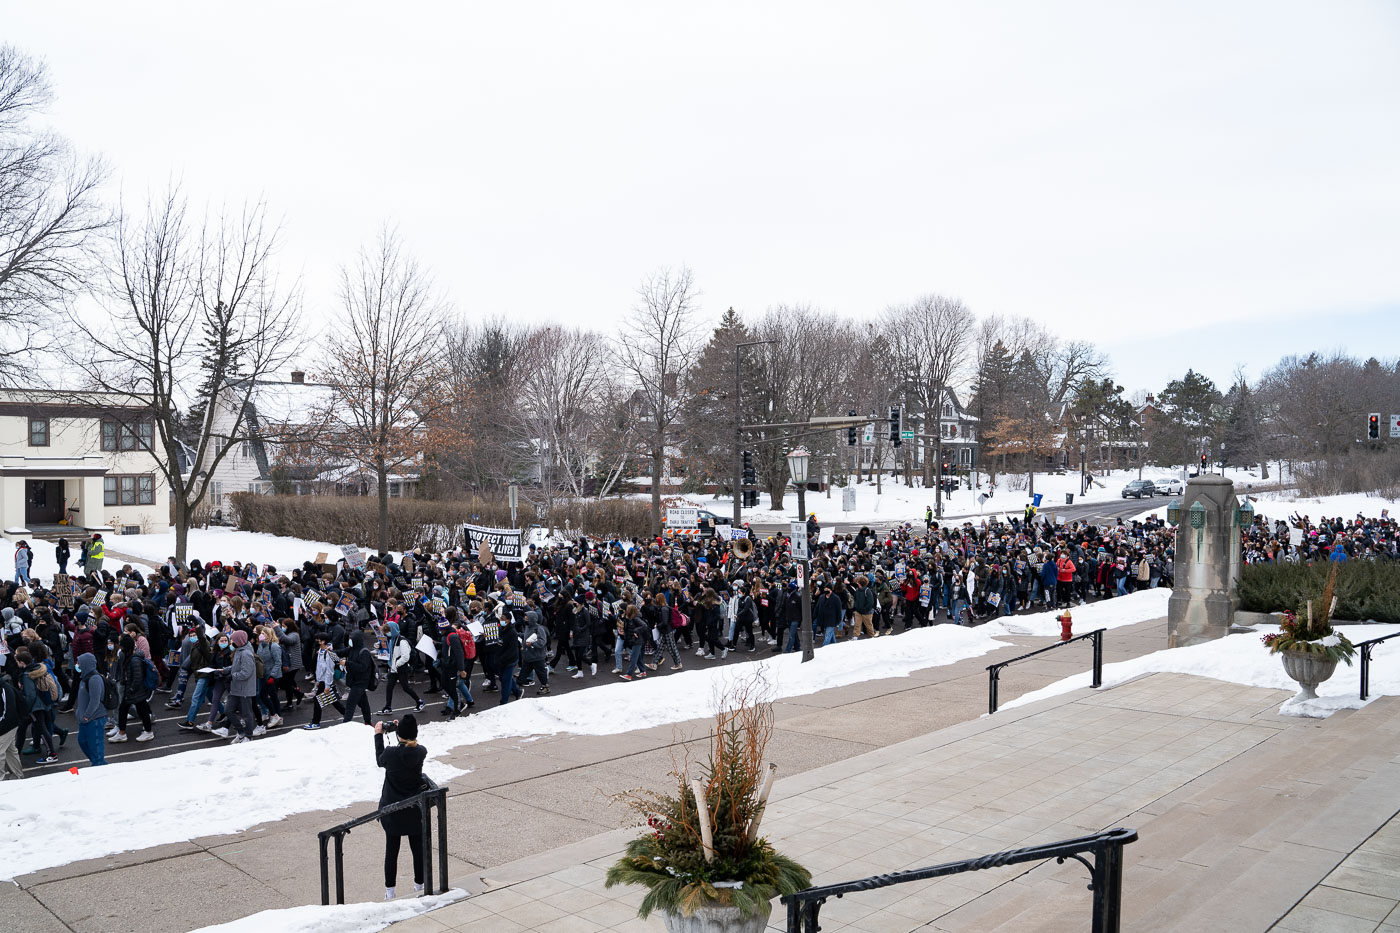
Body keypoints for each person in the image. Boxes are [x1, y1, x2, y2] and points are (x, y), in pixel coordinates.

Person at [376, 714, 428, 901]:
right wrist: (402, 733)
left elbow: (380, 760)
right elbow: (410, 746)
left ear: (399, 735)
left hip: (392, 810)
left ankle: (390, 892)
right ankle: (419, 886)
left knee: (392, 850)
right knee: (417, 848)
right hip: (413, 808)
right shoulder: (421, 752)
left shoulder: (391, 753)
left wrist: (378, 735)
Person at [74, 652, 107, 766]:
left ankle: (99, 767)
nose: (77, 665)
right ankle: (96, 763)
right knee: (83, 742)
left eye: (79, 662)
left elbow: (95, 701)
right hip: (85, 720)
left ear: (85, 664)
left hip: (94, 719)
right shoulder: (84, 678)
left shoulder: (94, 679)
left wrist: (86, 715)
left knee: (96, 748)